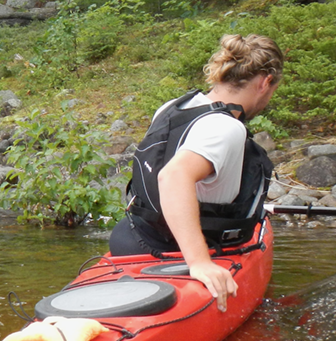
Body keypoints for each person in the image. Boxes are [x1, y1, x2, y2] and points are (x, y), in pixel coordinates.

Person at [108, 34, 283, 312]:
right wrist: (200, 262)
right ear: (265, 83)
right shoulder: (227, 127)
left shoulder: (174, 106)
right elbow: (173, 177)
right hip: (176, 253)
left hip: (131, 238)